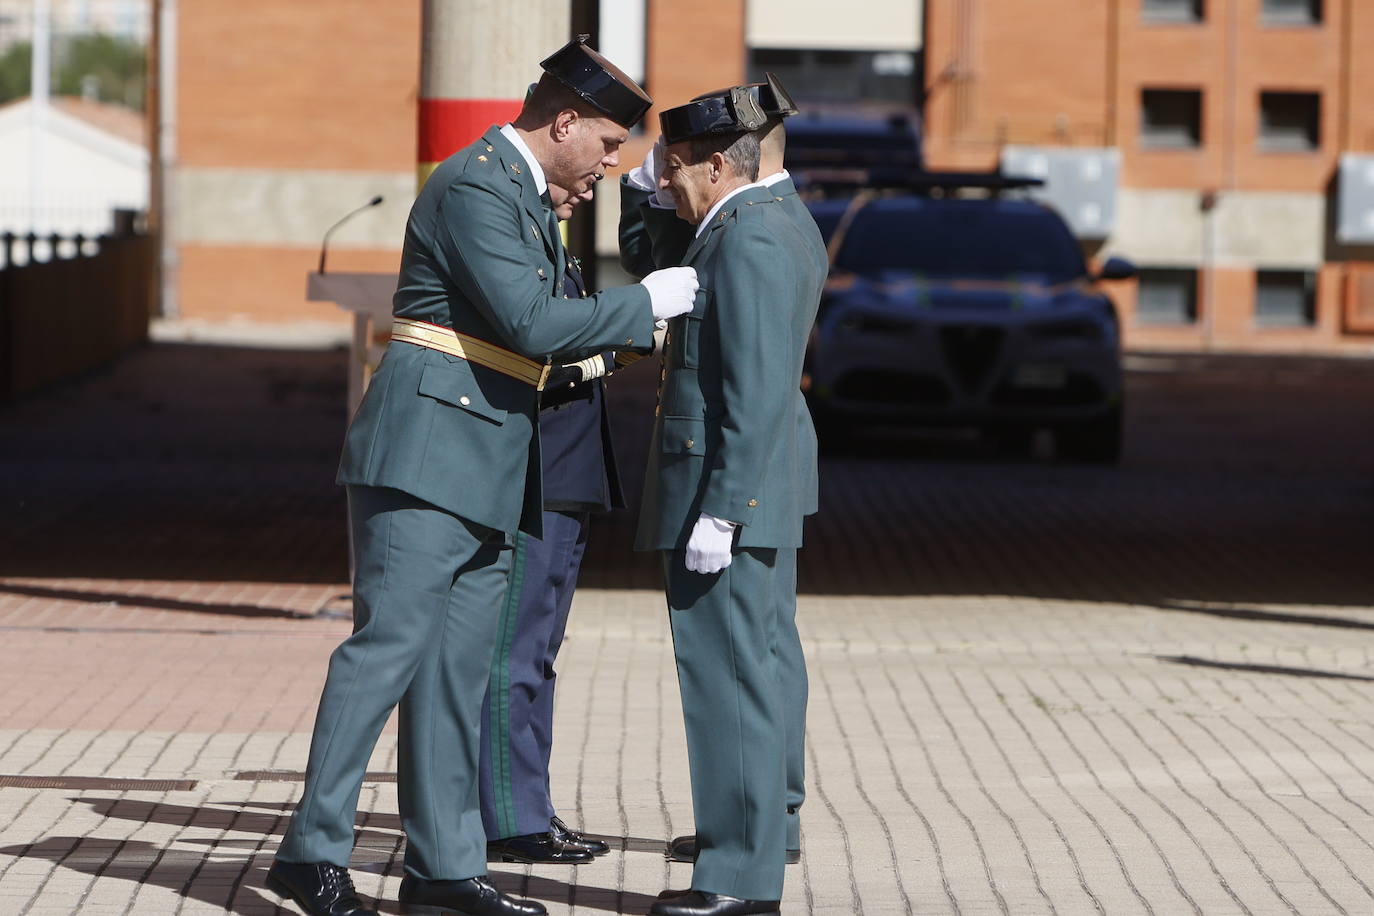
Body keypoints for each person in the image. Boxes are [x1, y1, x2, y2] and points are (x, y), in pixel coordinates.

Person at [267, 37, 699, 916]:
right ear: (564, 119)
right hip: (425, 456)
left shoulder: (525, 196)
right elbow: (529, 321)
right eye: (609, 145)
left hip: (488, 461)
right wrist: (646, 301)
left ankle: (444, 870)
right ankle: (311, 853)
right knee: (385, 654)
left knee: (457, 675)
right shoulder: (474, 185)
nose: (613, 165)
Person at [632, 86, 827, 916]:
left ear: (717, 163)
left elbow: (750, 388)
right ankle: (764, 824)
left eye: (673, 169)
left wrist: (725, 508)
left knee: (729, 674)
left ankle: (739, 876)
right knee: (768, 658)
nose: (666, 182)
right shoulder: (772, 218)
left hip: (729, 483)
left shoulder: (746, 241)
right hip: (759, 476)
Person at [478, 179, 619, 866]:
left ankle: (531, 805)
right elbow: (528, 348)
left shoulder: (549, 242)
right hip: (534, 476)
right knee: (514, 655)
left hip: (565, 475)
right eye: (591, 162)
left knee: (539, 656)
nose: (593, 181)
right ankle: (508, 818)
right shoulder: (512, 238)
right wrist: (609, 342)